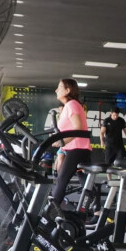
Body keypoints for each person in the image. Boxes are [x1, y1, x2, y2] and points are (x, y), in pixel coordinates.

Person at [51, 78, 92, 212]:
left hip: (77, 149)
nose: (56, 90)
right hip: (78, 149)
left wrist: (63, 142)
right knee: (85, 181)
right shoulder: (69, 106)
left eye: (59, 87)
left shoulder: (71, 105)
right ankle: (98, 211)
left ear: (68, 90)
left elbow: (78, 128)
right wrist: (58, 140)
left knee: (62, 179)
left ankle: (51, 211)